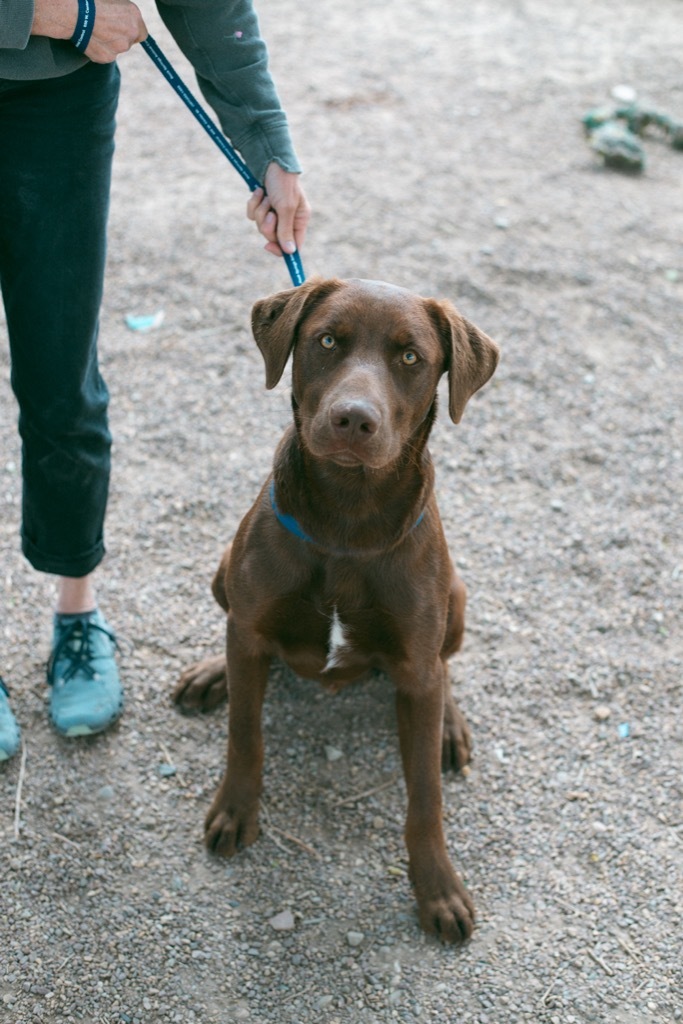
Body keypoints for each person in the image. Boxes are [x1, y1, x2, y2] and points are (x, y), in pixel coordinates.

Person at [0, 0, 311, 759]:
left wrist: (266, 149)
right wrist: (50, 14)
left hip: (57, 103)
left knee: (61, 371)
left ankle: (78, 612)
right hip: (60, 40)